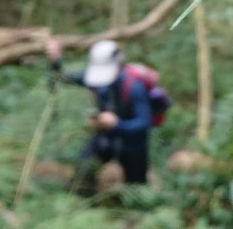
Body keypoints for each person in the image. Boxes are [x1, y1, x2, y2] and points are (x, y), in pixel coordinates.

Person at [46, 38, 153, 195]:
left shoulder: (134, 88)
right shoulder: (95, 80)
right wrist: (55, 60)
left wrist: (117, 124)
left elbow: (144, 122)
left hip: (132, 144)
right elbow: (60, 77)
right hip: (104, 137)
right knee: (84, 166)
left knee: (135, 187)